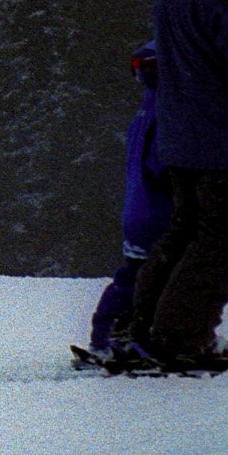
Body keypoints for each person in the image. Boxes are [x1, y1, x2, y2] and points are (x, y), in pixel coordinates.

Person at [120, 0, 228, 371]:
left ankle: (141, 327)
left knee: (184, 234)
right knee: (219, 243)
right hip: (221, 139)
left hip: (182, 136)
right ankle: (180, 337)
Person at [78, 43, 170, 366]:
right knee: (148, 277)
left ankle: (111, 333)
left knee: (134, 275)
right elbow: (163, 166)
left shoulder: (146, 110)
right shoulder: (166, 112)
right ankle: (116, 337)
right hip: (157, 212)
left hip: (139, 209)